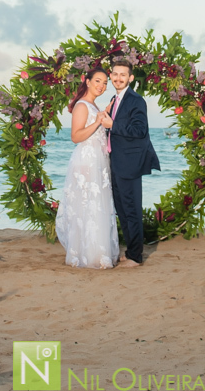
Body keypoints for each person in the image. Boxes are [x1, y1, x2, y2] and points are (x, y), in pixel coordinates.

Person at [97, 58, 161, 267]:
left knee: (131, 209)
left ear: (130, 78)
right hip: (116, 162)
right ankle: (131, 250)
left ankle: (135, 256)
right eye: (115, 74)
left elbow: (139, 130)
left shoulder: (136, 100)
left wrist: (112, 124)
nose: (118, 78)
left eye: (123, 75)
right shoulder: (115, 99)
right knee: (122, 209)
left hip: (130, 163)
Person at [54, 68, 119, 268]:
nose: (102, 85)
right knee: (88, 205)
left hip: (99, 161)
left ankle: (98, 253)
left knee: (97, 206)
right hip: (86, 160)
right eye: (98, 81)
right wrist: (99, 121)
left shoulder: (93, 105)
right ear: (87, 81)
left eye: (105, 83)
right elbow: (76, 136)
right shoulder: (82, 105)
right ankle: (88, 255)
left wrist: (104, 113)